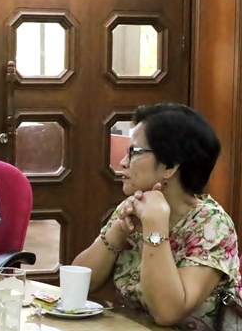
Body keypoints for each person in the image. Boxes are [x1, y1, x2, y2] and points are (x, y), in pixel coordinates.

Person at [73, 103, 240, 329]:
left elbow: (167, 313)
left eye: (133, 152)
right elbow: (80, 284)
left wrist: (155, 226)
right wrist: (118, 231)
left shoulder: (211, 225)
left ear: (169, 166)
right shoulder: (136, 206)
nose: (123, 163)